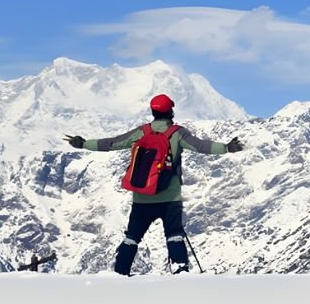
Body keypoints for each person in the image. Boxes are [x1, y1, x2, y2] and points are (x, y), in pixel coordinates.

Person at [64, 94, 244, 275]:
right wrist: (227, 148)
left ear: (153, 112)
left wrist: (84, 143)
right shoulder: (177, 133)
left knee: (132, 237)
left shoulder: (141, 133)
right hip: (170, 197)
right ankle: (180, 271)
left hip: (142, 196)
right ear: (170, 111)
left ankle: (119, 272)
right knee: (174, 234)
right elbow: (201, 146)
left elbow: (112, 143)